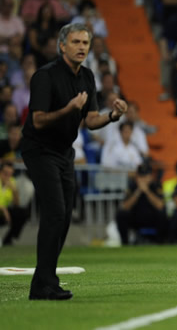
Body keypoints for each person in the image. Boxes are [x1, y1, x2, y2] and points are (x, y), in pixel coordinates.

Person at [21, 23, 128, 300]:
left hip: (64, 152)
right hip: (39, 149)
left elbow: (91, 120)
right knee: (55, 212)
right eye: (76, 42)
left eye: (85, 42)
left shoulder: (88, 77)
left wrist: (112, 116)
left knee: (65, 216)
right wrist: (68, 109)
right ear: (62, 46)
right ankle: (45, 283)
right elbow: (37, 120)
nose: (82, 47)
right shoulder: (45, 76)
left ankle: (43, 282)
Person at [116, 163, 167, 244]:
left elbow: (160, 205)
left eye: (145, 176)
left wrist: (147, 191)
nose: (143, 179)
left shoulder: (156, 186)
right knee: (121, 214)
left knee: (162, 214)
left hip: (152, 218)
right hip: (136, 217)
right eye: (141, 176)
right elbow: (125, 207)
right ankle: (125, 243)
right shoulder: (132, 186)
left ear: (150, 176)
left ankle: (160, 242)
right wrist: (138, 191)